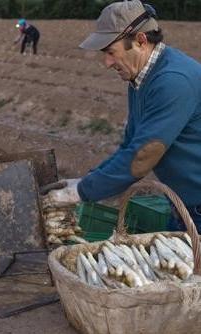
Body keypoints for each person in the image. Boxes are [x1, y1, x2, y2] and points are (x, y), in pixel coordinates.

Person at [43, 1, 201, 232]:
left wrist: (79, 193)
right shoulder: (140, 77)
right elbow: (131, 145)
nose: (107, 63)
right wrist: (85, 181)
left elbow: (143, 156)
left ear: (140, 41)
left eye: (110, 52)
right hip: (184, 205)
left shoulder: (173, 81)